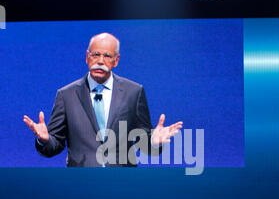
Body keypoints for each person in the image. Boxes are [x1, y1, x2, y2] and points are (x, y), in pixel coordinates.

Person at [23, 33, 183, 167]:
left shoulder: (134, 92)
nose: (100, 61)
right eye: (96, 55)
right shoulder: (66, 95)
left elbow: (145, 145)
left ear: (116, 60)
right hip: (80, 185)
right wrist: (44, 140)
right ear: (87, 57)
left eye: (107, 56)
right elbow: (54, 146)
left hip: (122, 184)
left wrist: (154, 142)